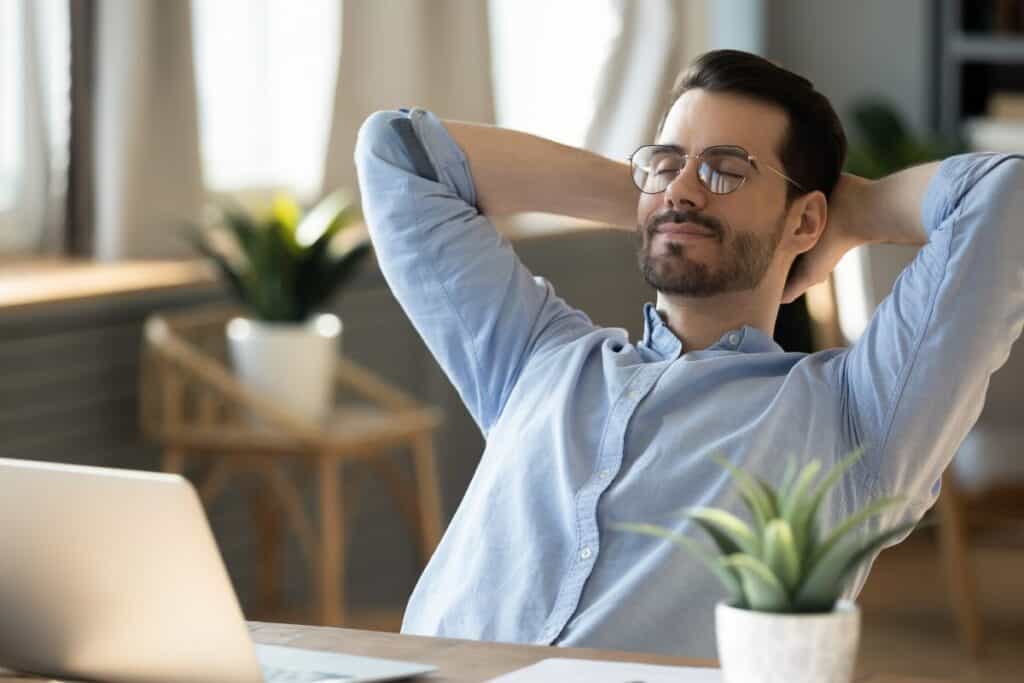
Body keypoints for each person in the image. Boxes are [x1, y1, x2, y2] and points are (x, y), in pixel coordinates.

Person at [353, 49, 1024, 658]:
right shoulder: (535, 354)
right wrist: (666, 202)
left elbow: (1007, 198)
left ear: (805, 220)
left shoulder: (857, 418)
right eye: (667, 161)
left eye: (729, 170)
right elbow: (399, 154)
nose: (684, 187)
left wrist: (857, 210)